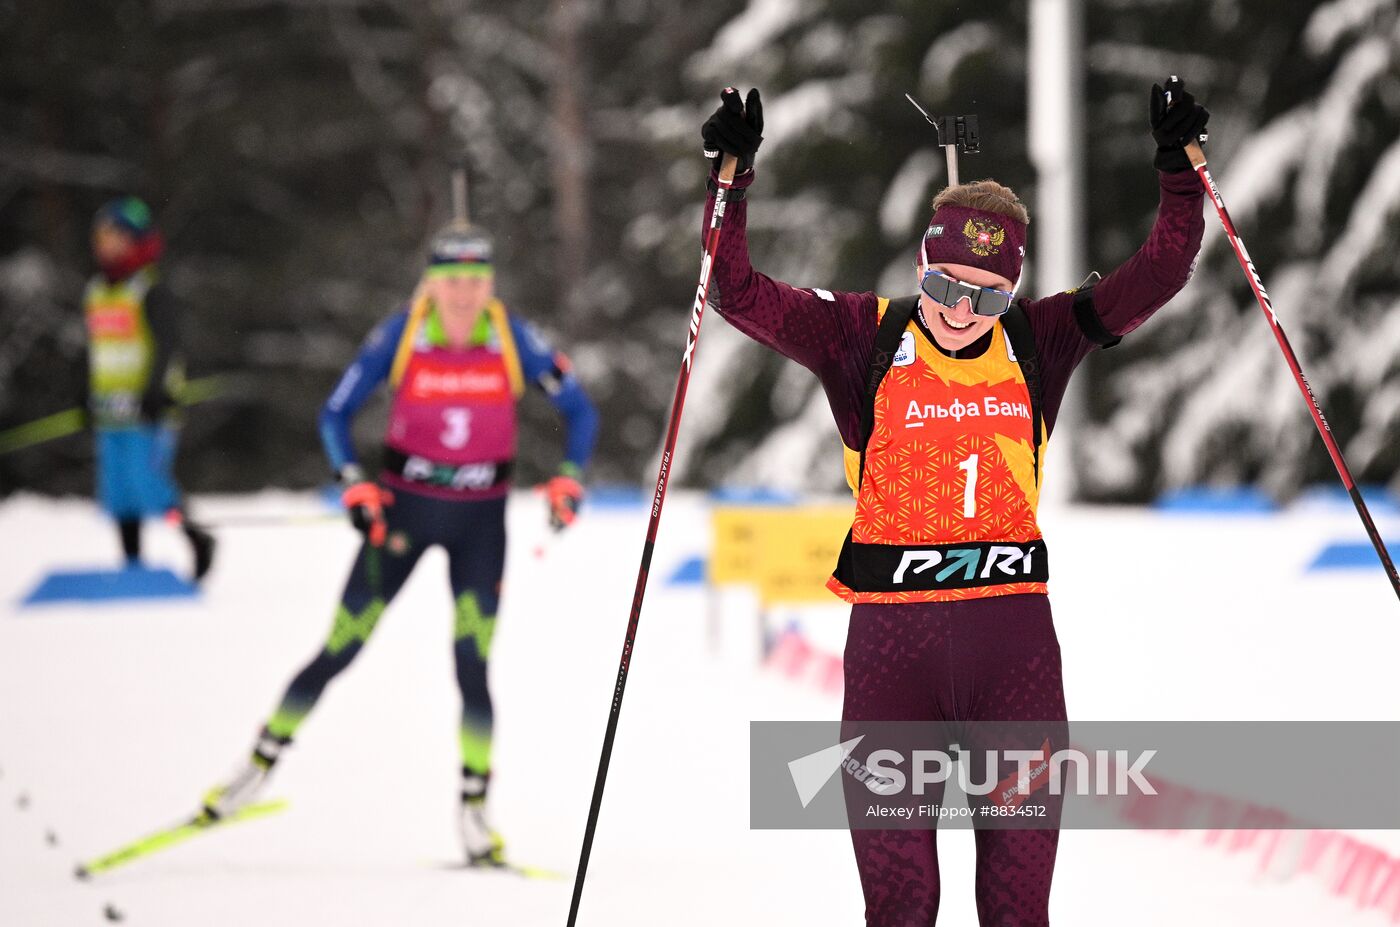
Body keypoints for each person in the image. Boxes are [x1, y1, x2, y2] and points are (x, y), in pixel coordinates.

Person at [700, 79, 1209, 925]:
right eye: (946, 286)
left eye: (987, 295)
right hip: (890, 662)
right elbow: (738, 292)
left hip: (1014, 659)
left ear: (1013, 293)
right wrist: (731, 184)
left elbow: (1161, 270)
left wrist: (1179, 175)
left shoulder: (1039, 341)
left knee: (1016, 910)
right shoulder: (862, 336)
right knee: (901, 907)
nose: (961, 312)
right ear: (922, 268)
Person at [203, 222, 598, 866]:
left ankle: (474, 811)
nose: (465, 295)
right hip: (402, 516)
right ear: (432, 285)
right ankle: (255, 768)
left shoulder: (513, 337)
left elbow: (582, 411)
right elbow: (333, 413)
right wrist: (353, 484)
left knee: (473, 666)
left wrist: (569, 480)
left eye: (476, 281)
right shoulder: (401, 334)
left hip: (480, 524)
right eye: (452, 282)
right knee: (340, 646)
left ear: (490, 283)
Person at [83, 196, 215, 581]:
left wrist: (155, 391)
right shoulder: (96, 291)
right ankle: (131, 569)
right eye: (102, 237)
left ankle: (197, 539)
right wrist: (85, 395)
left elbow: (167, 345)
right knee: (118, 490)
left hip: (148, 410)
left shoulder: (148, 288)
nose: (106, 245)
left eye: (115, 236)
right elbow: (96, 351)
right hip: (110, 408)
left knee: (149, 484)